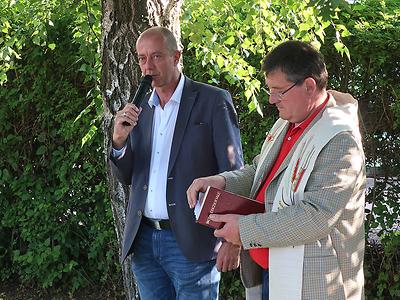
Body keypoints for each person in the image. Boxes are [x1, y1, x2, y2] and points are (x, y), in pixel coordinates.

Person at [187, 40, 366, 300]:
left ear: (309, 86)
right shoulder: (290, 121)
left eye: (279, 91)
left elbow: (317, 216)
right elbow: (260, 171)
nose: (271, 100)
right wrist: (221, 182)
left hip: (311, 284)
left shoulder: (339, 139)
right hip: (272, 270)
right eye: (270, 90)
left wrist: (245, 230)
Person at [109, 26, 244, 300]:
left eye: (156, 56)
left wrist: (233, 239)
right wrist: (119, 143)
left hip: (192, 241)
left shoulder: (212, 101)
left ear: (176, 56)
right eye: (142, 58)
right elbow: (128, 177)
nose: (148, 67)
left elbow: (234, 172)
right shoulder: (140, 109)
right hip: (144, 241)